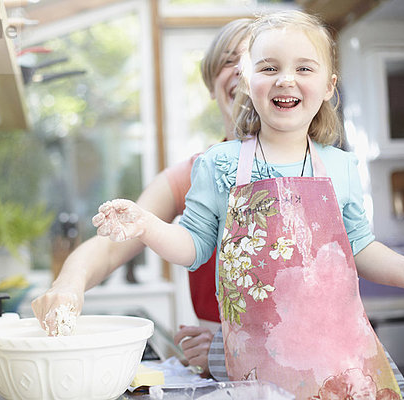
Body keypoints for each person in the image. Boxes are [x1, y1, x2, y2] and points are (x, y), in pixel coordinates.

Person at [92, 10, 404, 398]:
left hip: (345, 369)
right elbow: (191, 247)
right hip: (258, 376)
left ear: (328, 86)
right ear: (249, 81)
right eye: (269, 67)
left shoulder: (340, 166)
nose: (285, 79)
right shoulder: (218, 165)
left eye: (304, 68)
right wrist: (146, 224)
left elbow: (361, 248)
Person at [31, 18, 252, 377]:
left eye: (258, 59)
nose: (241, 69)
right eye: (229, 60)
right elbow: (109, 245)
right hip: (219, 373)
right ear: (211, 85)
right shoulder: (193, 174)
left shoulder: (313, 166)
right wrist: (68, 285)